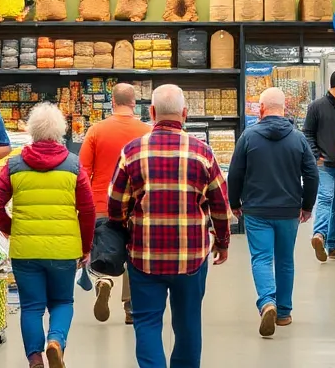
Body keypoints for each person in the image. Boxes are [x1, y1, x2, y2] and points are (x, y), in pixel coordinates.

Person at [107, 84, 232, 368]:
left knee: (147, 322)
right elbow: (221, 206)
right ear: (184, 114)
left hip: (144, 256)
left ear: (151, 112)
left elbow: (115, 204)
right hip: (191, 256)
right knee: (188, 325)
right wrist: (222, 242)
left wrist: (127, 227)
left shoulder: (132, 152)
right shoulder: (203, 153)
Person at [0, 102, 96, 368]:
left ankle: (35, 358)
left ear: (31, 131)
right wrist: (85, 246)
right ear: (60, 131)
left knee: (32, 307)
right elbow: (88, 209)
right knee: (62, 301)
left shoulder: (14, 165)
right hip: (63, 249)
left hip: (26, 251)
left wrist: (14, 229)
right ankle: (55, 341)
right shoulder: (73, 165)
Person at [226, 87, 318, 338]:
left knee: (262, 258)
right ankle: (285, 312)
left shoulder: (248, 136)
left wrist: (234, 202)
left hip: (256, 209)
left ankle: (267, 301)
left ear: (261, 109)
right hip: (289, 210)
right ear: (284, 108)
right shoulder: (298, 138)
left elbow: (235, 173)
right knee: (286, 260)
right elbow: (311, 174)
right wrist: (307, 205)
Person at [78, 82, 150, 325]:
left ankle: (103, 281)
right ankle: (131, 308)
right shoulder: (146, 131)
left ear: (112, 102)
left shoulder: (96, 131)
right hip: (137, 204)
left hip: (101, 203)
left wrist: (82, 205)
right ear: (133, 103)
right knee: (134, 255)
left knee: (103, 249)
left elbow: (83, 171)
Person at [302, 68, 335, 261]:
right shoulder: (316, 107)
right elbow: (307, 132)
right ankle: (319, 235)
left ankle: (333, 245)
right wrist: (315, 154)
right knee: (325, 198)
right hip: (324, 164)